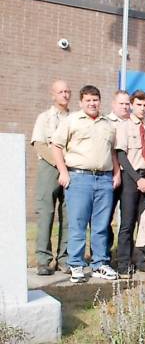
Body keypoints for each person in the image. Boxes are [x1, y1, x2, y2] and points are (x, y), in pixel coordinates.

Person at [51, 85, 121, 283]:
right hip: (79, 178)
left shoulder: (108, 123)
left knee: (101, 225)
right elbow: (56, 146)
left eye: (95, 99)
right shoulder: (71, 120)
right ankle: (76, 264)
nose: (92, 103)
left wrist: (116, 173)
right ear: (81, 102)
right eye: (88, 100)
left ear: (100, 101)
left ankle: (100, 264)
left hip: (105, 179)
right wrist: (63, 172)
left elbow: (113, 151)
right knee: (78, 224)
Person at [114, 90, 145, 277]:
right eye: (139, 105)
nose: (142, 109)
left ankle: (141, 259)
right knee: (127, 222)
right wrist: (138, 179)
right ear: (132, 105)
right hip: (131, 178)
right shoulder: (124, 126)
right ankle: (123, 262)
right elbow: (121, 155)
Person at [31, 80, 71, 275]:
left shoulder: (75, 118)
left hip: (72, 170)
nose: (64, 95)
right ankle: (43, 259)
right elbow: (39, 144)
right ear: (52, 95)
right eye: (60, 92)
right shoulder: (44, 118)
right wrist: (59, 163)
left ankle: (64, 258)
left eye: (67, 91)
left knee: (69, 216)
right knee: (46, 214)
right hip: (49, 168)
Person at [105, 90, 130, 257]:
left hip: (129, 176)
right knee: (105, 217)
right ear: (113, 104)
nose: (125, 107)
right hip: (110, 175)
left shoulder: (133, 123)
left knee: (128, 220)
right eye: (121, 103)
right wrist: (116, 173)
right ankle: (103, 254)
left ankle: (125, 255)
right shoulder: (106, 122)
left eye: (127, 104)